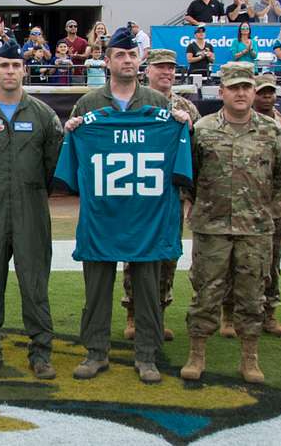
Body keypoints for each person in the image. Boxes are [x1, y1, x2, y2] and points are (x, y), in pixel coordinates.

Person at [60, 28, 190, 384]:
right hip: (103, 216)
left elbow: (179, 152)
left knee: (148, 290)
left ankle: (147, 355)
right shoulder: (88, 105)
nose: (127, 61)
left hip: (146, 216)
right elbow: (71, 161)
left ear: (140, 60)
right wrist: (70, 130)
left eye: (132, 55)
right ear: (108, 61)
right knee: (97, 290)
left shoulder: (159, 105)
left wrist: (183, 128)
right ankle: (95, 351)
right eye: (120, 55)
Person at [181, 62, 281, 384]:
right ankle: (197, 353)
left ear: (254, 91)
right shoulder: (202, 130)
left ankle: (249, 357)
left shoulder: (273, 132)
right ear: (222, 93)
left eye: (247, 87)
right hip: (212, 227)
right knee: (205, 293)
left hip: (255, 228)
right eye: (234, 88)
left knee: (251, 295)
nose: (242, 93)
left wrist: (257, 206)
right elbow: (190, 174)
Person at [0, 42, 62, 379]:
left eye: (15, 66)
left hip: (31, 208)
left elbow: (51, 163)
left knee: (34, 282)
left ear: (24, 70)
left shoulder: (43, 116)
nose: (9, 71)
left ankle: (41, 353)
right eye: (3, 65)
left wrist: (29, 190)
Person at [120, 49, 201, 342]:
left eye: (171, 68)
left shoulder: (187, 108)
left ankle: (158, 314)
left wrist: (190, 195)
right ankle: (132, 313)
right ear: (147, 70)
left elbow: (195, 155)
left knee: (167, 254)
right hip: (139, 192)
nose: (167, 73)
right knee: (135, 252)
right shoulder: (132, 102)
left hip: (172, 195)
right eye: (161, 68)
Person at [244, 73, 281, 339]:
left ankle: (269, 313)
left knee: (273, 263)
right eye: (262, 92)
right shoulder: (240, 120)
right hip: (244, 206)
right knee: (239, 263)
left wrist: (274, 195)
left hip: (275, 207)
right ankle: (229, 313)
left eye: (270, 92)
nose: (266, 97)